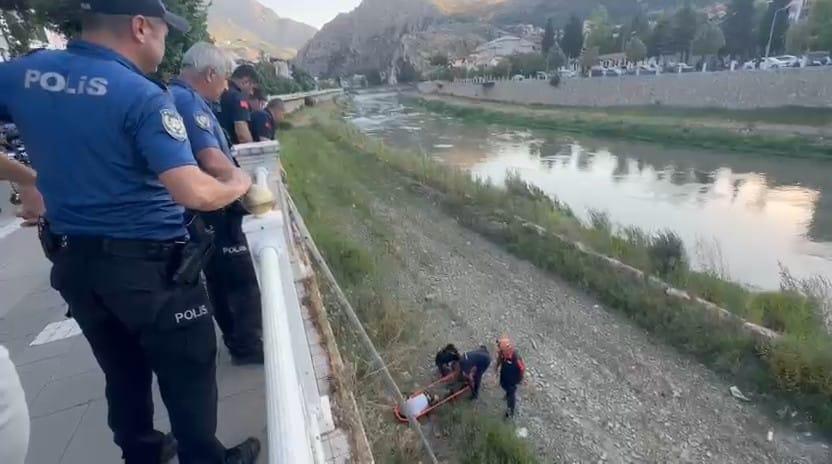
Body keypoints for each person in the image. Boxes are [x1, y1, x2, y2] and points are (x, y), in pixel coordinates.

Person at [0, 1, 261, 463]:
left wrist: (28, 179)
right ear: (140, 27)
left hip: (77, 265)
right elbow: (192, 190)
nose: (165, 41)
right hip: (152, 270)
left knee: (122, 372)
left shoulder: (24, 73)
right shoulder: (140, 94)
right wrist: (239, 183)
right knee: (189, 372)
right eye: (163, 31)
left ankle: (144, 454)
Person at [171, 42, 264, 365]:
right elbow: (211, 159)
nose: (226, 87)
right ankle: (247, 344)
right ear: (210, 73)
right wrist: (245, 183)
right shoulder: (187, 101)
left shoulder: (182, 97)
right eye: (224, 78)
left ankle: (240, 341)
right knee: (237, 279)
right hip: (215, 211)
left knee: (222, 279)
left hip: (204, 210)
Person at [217, 64, 259, 145]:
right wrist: (253, 150)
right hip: (230, 148)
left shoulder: (220, 91)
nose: (251, 93)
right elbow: (243, 136)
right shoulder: (238, 98)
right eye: (252, 88)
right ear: (245, 82)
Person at [495, 336, 525, 418]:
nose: (499, 350)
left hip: (513, 378)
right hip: (505, 373)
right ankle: (507, 393)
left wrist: (520, 379)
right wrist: (496, 368)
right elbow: (499, 359)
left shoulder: (516, 357)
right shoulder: (502, 353)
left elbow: (522, 369)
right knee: (503, 384)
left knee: (511, 394)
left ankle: (510, 411)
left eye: (501, 348)